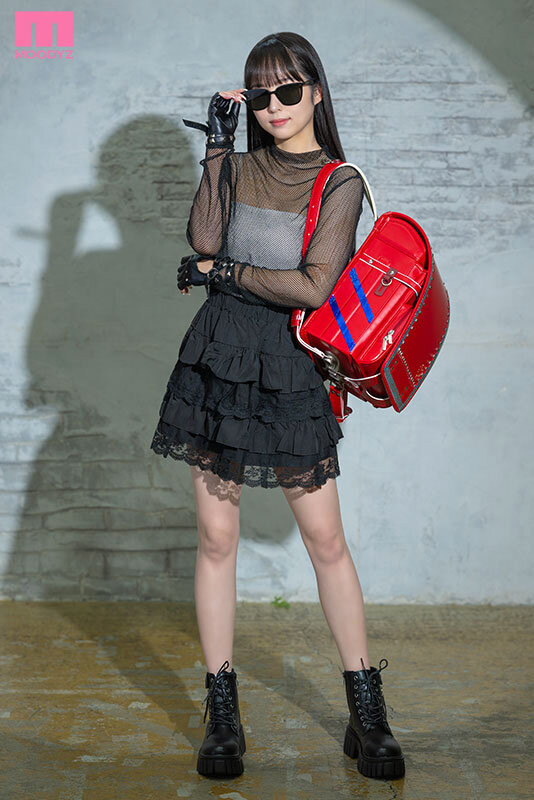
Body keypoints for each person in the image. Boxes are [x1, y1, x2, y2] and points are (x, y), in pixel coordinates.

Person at [150, 31, 405, 781]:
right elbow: (201, 233)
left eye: (288, 91)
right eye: (260, 95)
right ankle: (222, 716)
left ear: (316, 93)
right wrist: (216, 147)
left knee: (326, 540)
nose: (274, 107)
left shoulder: (338, 181)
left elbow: (314, 286)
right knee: (216, 539)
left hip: (289, 364)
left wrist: (220, 271)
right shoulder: (236, 165)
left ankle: (367, 712)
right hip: (217, 355)